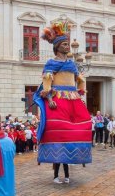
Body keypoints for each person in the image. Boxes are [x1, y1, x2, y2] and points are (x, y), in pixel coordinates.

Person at [33, 21, 92, 183]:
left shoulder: (72, 64)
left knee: (84, 124)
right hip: (58, 99)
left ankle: (67, 173)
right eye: (64, 44)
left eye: (68, 44)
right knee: (58, 129)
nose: (67, 47)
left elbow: (79, 79)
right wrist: (50, 98)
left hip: (72, 98)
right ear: (57, 46)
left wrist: (80, 93)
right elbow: (47, 81)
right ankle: (56, 175)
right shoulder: (51, 63)